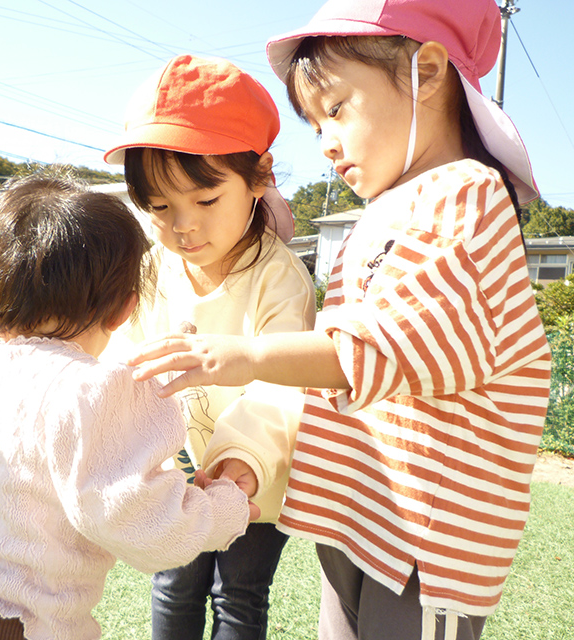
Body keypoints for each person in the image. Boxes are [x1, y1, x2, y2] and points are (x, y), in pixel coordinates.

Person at [125, 2, 552, 640]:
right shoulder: (383, 210)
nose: (324, 140)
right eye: (313, 121)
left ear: (427, 71)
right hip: (356, 512)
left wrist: (243, 356)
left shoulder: (467, 194)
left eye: (335, 109)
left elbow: (399, 344)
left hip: (425, 542)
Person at [0, 172, 255, 640]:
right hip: (22, 623)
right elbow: (150, 528)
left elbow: (47, 395)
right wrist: (226, 504)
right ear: (125, 310)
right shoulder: (92, 395)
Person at [102, 54, 316, 640]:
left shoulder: (278, 278)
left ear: (260, 176)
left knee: (238, 595)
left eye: (204, 200)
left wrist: (242, 461)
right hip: (173, 469)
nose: (183, 227)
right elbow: (124, 355)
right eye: (160, 207)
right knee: (172, 585)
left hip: (252, 480)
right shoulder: (152, 269)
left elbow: (285, 381)